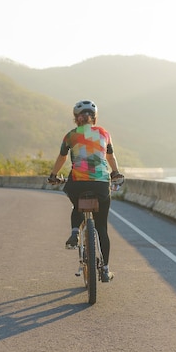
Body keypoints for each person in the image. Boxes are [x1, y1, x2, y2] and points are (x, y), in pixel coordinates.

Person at [48, 100, 124, 282]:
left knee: (77, 207)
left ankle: (75, 231)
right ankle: (105, 270)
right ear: (94, 118)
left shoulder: (70, 136)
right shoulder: (104, 133)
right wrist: (115, 172)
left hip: (78, 182)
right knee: (101, 228)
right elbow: (110, 156)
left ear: (76, 119)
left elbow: (62, 157)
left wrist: (53, 175)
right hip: (100, 183)